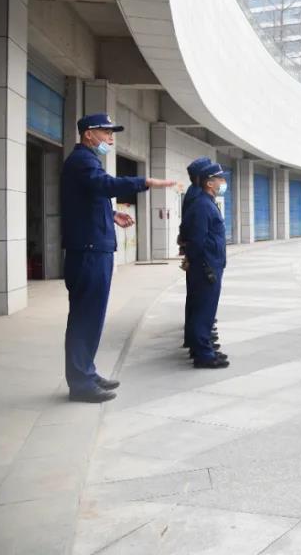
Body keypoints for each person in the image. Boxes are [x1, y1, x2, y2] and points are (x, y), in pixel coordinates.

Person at [61, 113, 176, 402]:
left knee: (91, 317)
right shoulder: (83, 160)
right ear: (89, 134)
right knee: (85, 318)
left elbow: (89, 198)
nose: (111, 139)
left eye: (112, 134)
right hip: (89, 252)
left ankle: (86, 372)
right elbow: (106, 185)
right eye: (106, 132)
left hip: (93, 249)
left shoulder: (87, 161)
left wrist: (111, 214)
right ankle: (81, 383)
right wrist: (145, 181)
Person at [180, 161, 230, 369]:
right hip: (206, 266)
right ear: (209, 183)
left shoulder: (207, 202)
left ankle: (203, 349)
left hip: (210, 263)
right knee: (203, 311)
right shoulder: (202, 205)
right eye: (219, 178)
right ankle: (204, 355)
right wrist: (197, 261)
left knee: (204, 310)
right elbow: (197, 239)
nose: (223, 182)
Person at [179, 156, 212, 352]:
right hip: (201, 257)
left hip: (198, 254)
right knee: (200, 300)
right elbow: (194, 229)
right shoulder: (198, 196)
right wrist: (191, 255)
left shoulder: (196, 193)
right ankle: (199, 342)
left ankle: (198, 338)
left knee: (198, 299)